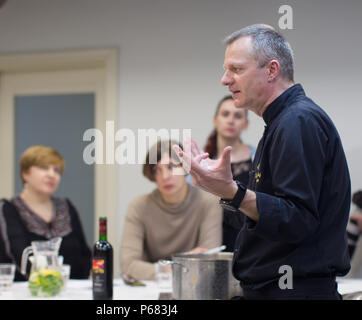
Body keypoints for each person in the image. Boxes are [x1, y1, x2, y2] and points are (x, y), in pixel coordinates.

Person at [174, 24, 351, 299]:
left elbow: (296, 219)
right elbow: (265, 219)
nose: (225, 79)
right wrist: (220, 190)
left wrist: (233, 192)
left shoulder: (297, 122)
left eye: (236, 69)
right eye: (226, 69)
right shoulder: (282, 122)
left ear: (271, 70)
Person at [120, 140, 222, 281]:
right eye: (157, 170)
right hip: (152, 288)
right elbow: (128, 264)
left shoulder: (208, 202)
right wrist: (178, 266)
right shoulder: (139, 206)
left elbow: (210, 258)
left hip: (195, 285)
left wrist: (160, 269)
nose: (165, 177)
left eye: (171, 167)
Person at [0, 145, 91, 281]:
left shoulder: (66, 206)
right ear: (25, 173)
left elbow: (84, 255)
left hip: (71, 290)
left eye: (57, 171)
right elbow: (19, 256)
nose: (52, 175)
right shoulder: (8, 208)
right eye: (44, 168)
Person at [204, 95, 254, 252]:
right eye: (225, 114)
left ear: (246, 124)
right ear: (215, 120)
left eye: (237, 116)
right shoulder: (201, 163)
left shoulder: (259, 158)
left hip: (252, 241)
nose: (231, 120)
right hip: (213, 244)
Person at [348, 190, 362, 259]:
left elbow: (360, 230)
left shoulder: (359, 213)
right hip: (345, 239)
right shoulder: (356, 210)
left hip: (351, 243)